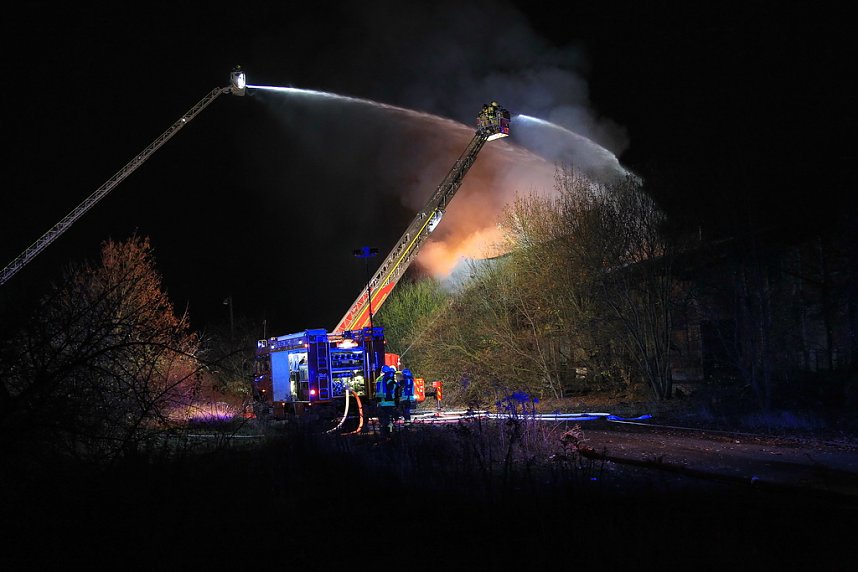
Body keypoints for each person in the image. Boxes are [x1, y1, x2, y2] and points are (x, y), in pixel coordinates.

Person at [375, 365, 398, 436]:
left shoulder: (378, 379)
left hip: (380, 402)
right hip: (389, 402)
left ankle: (383, 433)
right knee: (389, 419)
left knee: (383, 419)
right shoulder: (388, 379)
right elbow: (392, 387)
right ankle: (390, 432)